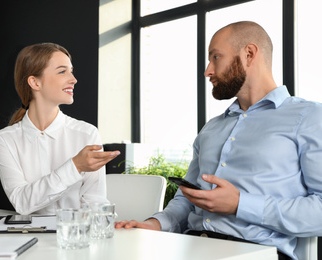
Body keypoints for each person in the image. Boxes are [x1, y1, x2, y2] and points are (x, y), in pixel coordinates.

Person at [115, 21, 322, 260]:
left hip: (255, 253)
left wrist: (240, 204)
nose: (208, 71)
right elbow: (187, 197)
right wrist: (156, 224)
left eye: (216, 57)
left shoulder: (310, 117)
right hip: (189, 247)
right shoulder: (211, 128)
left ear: (249, 54)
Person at [0, 42, 120, 216]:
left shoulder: (87, 134)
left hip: (76, 238)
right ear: (35, 82)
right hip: (29, 238)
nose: (73, 79)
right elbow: (22, 203)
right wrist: (75, 166)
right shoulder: (5, 139)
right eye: (62, 71)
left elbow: (95, 202)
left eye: (71, 71)